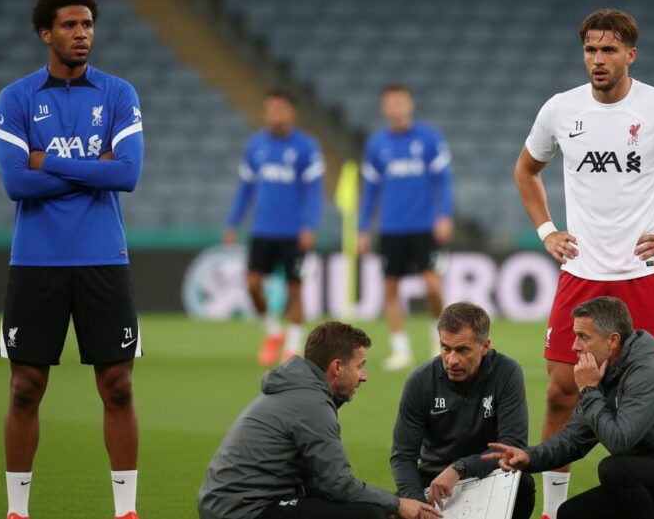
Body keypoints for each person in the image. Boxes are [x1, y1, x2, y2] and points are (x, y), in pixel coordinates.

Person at [513, 9, 654, 517]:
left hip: (645, 278)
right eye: (591, 49)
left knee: (649, 403)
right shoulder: (560, 110)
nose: (598, 59)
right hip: (582, 274)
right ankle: (553, 510)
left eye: (609, 50)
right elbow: (526, 170)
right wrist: (548, 230)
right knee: (559, 394)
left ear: (630, 54)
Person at [0, 0, 144, 519]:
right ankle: (17, 511)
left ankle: (125, 511)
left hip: (104, 257)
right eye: (69, 25)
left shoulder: (119, 94)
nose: (81, 34)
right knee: (25, 388)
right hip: (36, 260)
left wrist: (48, 163)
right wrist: (91, 167)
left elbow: (127, 174)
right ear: (45, 33)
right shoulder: (16, 98)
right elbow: (15, 183)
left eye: (87, 25)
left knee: (118, 386)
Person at [483, 296, 654, 519]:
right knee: (571, 514)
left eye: (583, 337)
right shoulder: (603, 374)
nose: (574, 346)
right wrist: (529, 457)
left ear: (613, 340)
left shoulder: (648, 372)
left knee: (614, 468)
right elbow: (573, 440)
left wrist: (588, 390)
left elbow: (620, 440)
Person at [198, 321, 440, 519]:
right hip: (243, 511)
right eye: (360, 366)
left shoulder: (298, 391)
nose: (364, 377)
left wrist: (390, 503)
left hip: (229, 506)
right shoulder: (311, 404)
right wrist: (397, 504)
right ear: (337, 367)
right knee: (368, 514)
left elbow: (322, 484)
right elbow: (338, 485)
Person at [391, 302, 535, 518]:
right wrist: (420, 507)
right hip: (433, 482)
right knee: (386, 510)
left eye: (462, 350)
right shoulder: (420, 381)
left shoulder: (507, 372)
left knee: (521, 484)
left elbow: (511, 446)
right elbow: (403, 455)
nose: (452, 360)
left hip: (487, 476)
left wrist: (460, 468)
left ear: (484, 346)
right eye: (445, 348)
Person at [358, 83, 454, 371]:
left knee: (432, 285)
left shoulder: (429, 139)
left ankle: (439, 343)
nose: (396, 108)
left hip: (424, 226)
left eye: (400, 102)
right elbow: (370, 190)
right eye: (391, 103)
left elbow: (443, 180)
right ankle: (400, 350)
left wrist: (444, 214)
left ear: (409, 104)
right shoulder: (377, 144)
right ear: (384, 108)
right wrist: (362, 228)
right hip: (391, 228)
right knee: (390, 288)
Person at [224, 91, 323, 366]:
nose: (274, 114)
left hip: (293, 232)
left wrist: (309, 224)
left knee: (295, 289)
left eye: (280, 109)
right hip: (262, 230)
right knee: (252, 285)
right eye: (270, 109)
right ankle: (273, 331)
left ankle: (292, 346)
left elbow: (314, 191)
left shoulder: (306, 147)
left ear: (292, 112)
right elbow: (245, 189)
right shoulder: (256, 146)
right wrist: (233, 222)